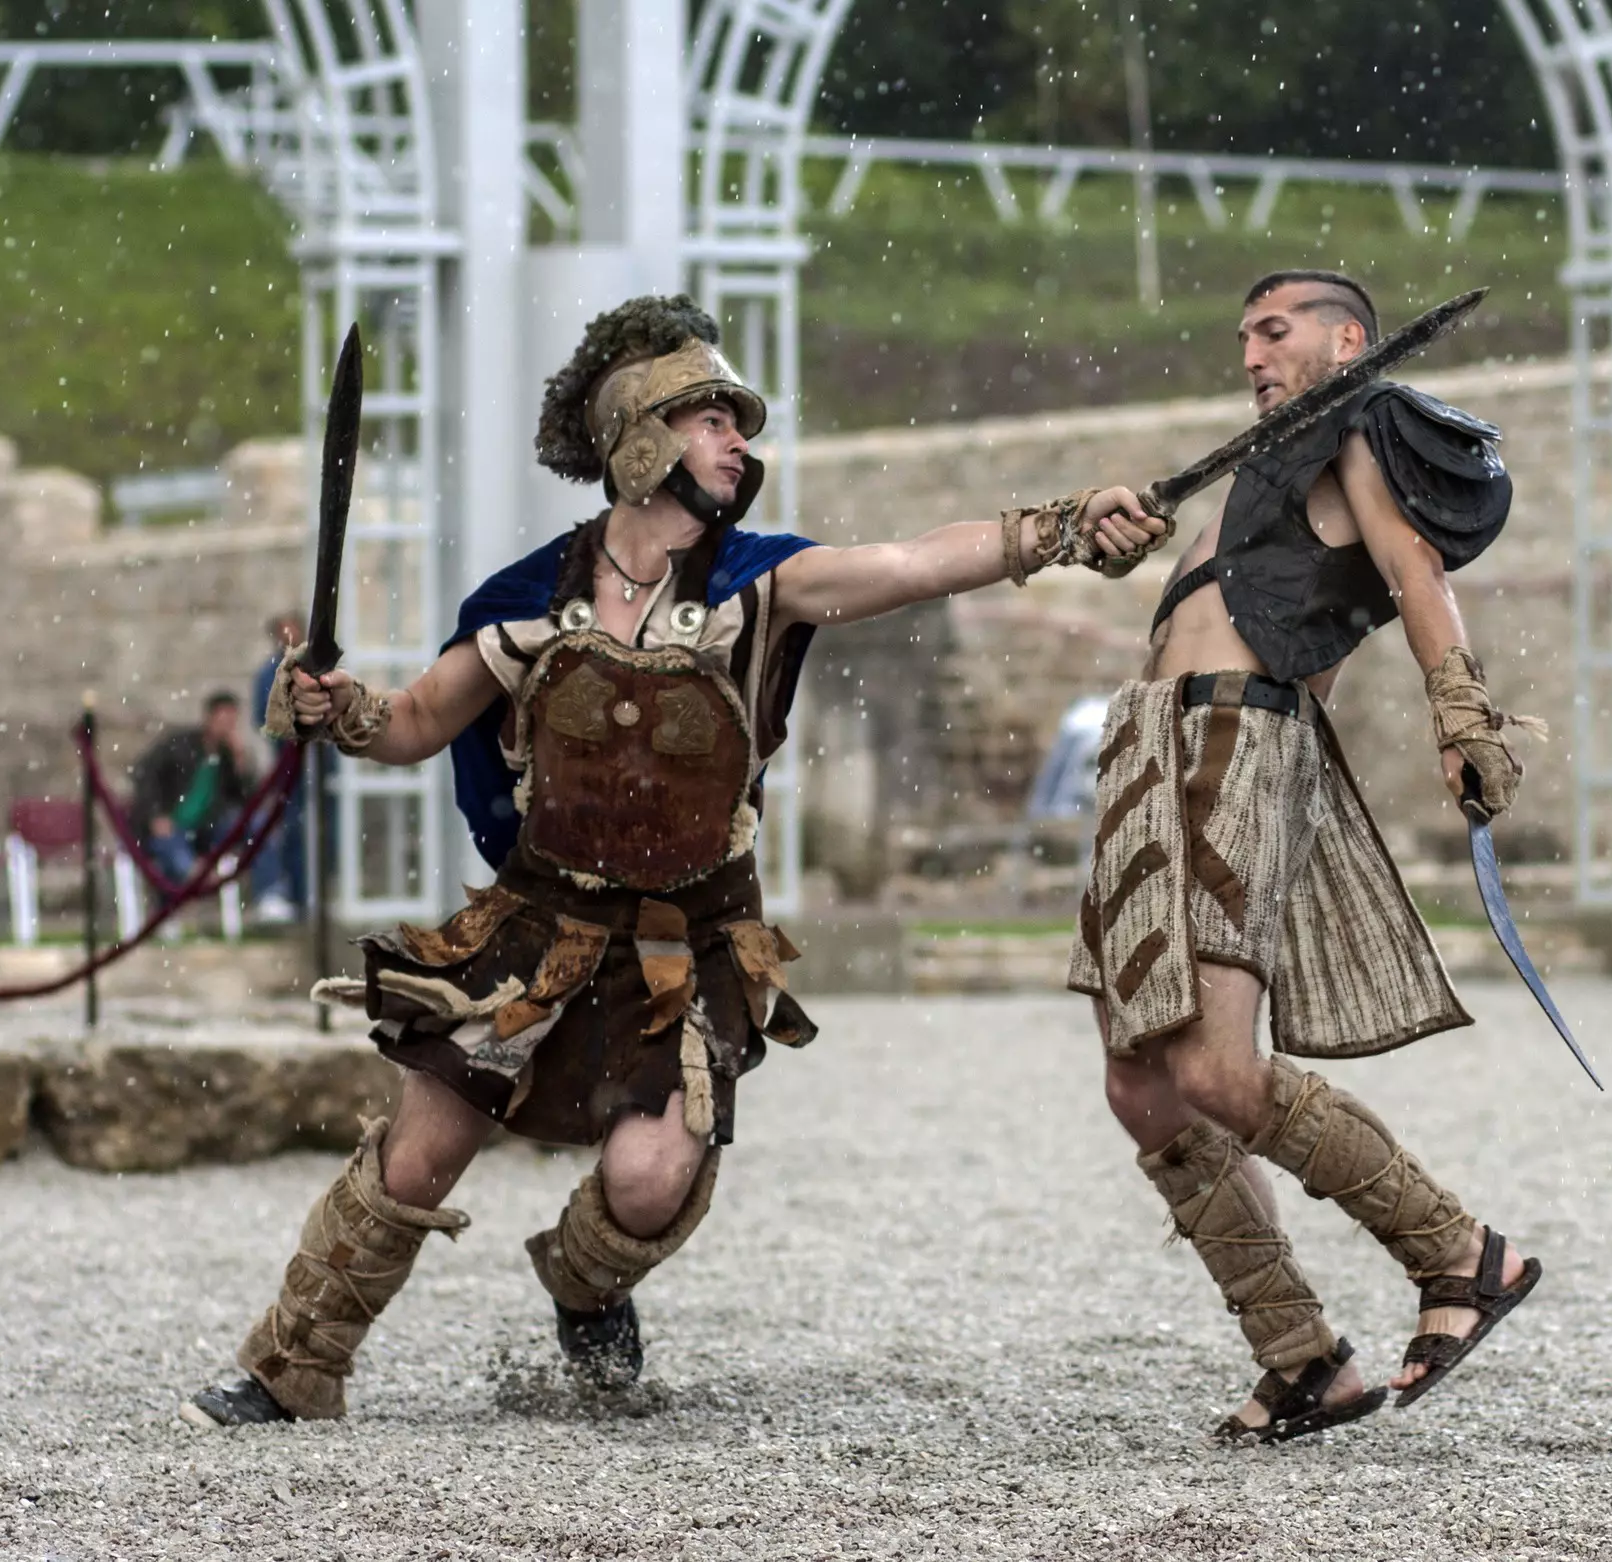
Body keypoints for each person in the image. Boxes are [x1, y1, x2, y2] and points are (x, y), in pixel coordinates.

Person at [181, 293, 1166, 1428]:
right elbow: (407, 726)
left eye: (735, 425)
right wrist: (326, 704)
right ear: (639, 442)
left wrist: (1056, 526)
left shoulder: (764, 581)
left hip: (682, 940)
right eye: (711, 420)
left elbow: (913, 561)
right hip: (538, 921)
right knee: (419, 1155)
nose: (739, 442)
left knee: (651, 1177)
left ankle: (583, 1286)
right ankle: (291, 1362)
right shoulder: (524, 605)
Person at [1070, 270, 1542, 1445]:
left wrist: (1463, 716)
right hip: (1144, 746)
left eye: (1274, 331)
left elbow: (1411, 570)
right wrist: (1111, 527)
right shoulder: (1252, 463)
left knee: (1220, 1073)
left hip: (1237, 735)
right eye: (1241, 335)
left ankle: (1459, 1252)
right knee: (1142, 1084)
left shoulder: (1363, 423)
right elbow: (1197, 588)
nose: (1251, 352)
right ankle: (1300, 1358)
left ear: (1347, 338)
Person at [129, 691, 254, 890]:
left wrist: (240, 763)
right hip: (171, 824)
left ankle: (268, 892)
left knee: (257, 824)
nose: (226, 729)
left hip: (205, 828)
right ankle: (196, 878)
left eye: (231, 723)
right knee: (171, 846)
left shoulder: (228, 758)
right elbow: (144, 773)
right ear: (209, 719)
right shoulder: (180, 745)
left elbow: (246, 798)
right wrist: (155, 815)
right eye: (223, 721)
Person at [250, 613, 310, 923]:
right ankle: (296, 895)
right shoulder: (269, 674)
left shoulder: (314, 666)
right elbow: (263, 717)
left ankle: (310, 893)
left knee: (318, 830)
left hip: (317, 763)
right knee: (293, 828)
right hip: (290, 765)